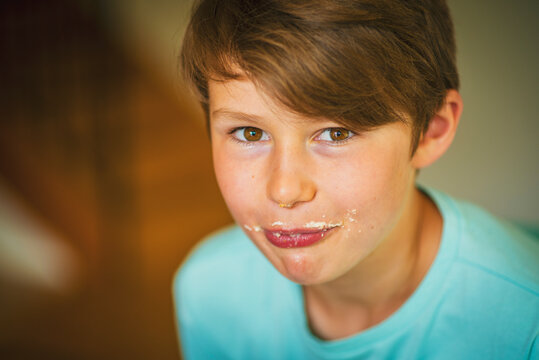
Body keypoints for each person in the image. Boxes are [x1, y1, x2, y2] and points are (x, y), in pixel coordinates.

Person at [172, 0, 539, 358]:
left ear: (431, 131)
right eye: (250, 133)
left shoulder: (525, 325)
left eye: (336, 134)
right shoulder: (208, 292)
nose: (284, 190)